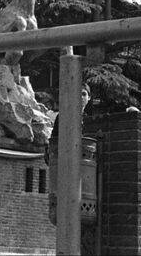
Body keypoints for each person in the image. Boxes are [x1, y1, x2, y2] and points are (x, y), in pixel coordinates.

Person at [45, 83, 91, 226]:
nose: (81, 97)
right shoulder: (63, 116)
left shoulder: (93, 118)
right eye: (78, 93)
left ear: (89, 98)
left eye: (84, 94)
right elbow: (54, 141)